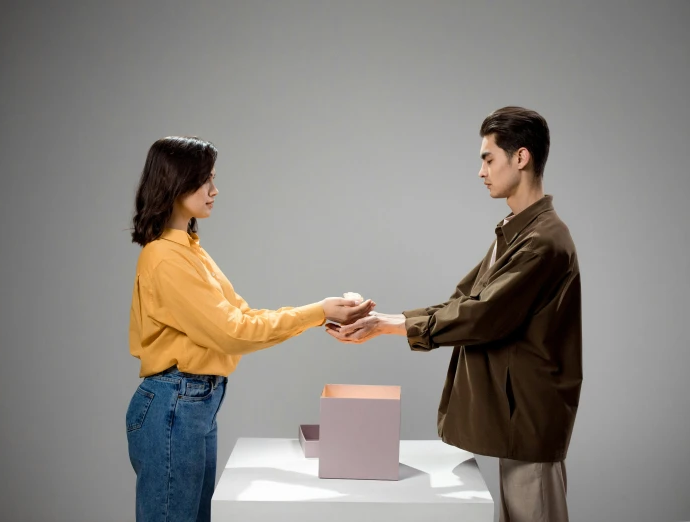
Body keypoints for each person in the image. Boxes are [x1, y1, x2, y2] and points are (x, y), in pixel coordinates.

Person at [326, 107, 582, 522]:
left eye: (488, 158)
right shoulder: (517, 231)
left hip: (530, 420)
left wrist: (388, 326)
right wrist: (383, 321)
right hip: (517, 417)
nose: (481, 171)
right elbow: (464, 301)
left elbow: (482, 316)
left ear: (521, 158)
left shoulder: (543, 242)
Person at [125, 136, 373, 522]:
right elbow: (233, 332)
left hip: (193, 402)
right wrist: (316, 312)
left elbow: (242, 317)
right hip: (176, 402)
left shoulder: (189, 251)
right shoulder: (164, 258)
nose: (214, 190)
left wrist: (322, 313)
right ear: (176, 183)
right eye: (205, 179)